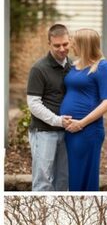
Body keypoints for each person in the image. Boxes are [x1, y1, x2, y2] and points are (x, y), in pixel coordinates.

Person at [61, 28, 107, 191]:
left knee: (83, 176)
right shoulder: (74, 65)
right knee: (73, 174)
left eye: (74, 44)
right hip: (69, 129)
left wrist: (81, 123)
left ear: (84, 46)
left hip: (87, 131)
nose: (71, 47)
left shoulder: (102, 67)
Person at [26, 24, 73, 191]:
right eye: (57, 45)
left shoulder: (73, 67)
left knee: (63, 182)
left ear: (70, 41)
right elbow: (33, 104)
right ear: (49, 43)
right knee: (43, 183)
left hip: (68, 133)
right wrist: (57, 120)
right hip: (44, 132)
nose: (62, 49)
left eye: (65, 44)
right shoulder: (38, 69)